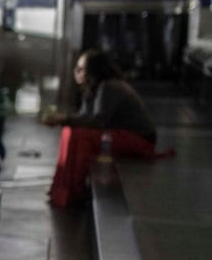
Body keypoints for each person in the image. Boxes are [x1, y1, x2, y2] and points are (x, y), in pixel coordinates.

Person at [44, 49, 165, 208]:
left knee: (81, 137)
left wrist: (64, 119)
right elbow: (84, 118)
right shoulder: (93, 88)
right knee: (70, 132)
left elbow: (96, 122)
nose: (76, 72)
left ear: (93, 71)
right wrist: (64, 121)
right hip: (122, 135)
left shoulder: (109, 87)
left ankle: (75, 189)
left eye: (81, 69)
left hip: (140, 139)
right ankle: (62, 187)